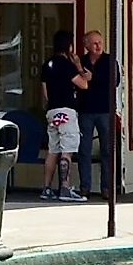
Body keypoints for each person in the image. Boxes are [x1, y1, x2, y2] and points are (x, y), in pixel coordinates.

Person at [39, 28, 86, 201]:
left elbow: (44, 92)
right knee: (67, 150)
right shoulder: (66, 65)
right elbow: (83, 84)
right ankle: (65, 188)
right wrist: (78, 67)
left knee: (53, 150)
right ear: (69, 46)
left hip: (52, 111)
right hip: (67, 110)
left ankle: (46, 188)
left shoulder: (47, 64)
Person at [77, 27, 119, 198]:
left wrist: (93, 79)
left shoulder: (110, 61)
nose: (98, 46)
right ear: (86, 45)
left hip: (105, 110)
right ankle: (84, 186)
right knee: (84, 150)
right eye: (94, 43)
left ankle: (107, 187)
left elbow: (114, 82)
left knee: (107, 150)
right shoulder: (81, 61)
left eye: (100, 43)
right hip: (85, 110)